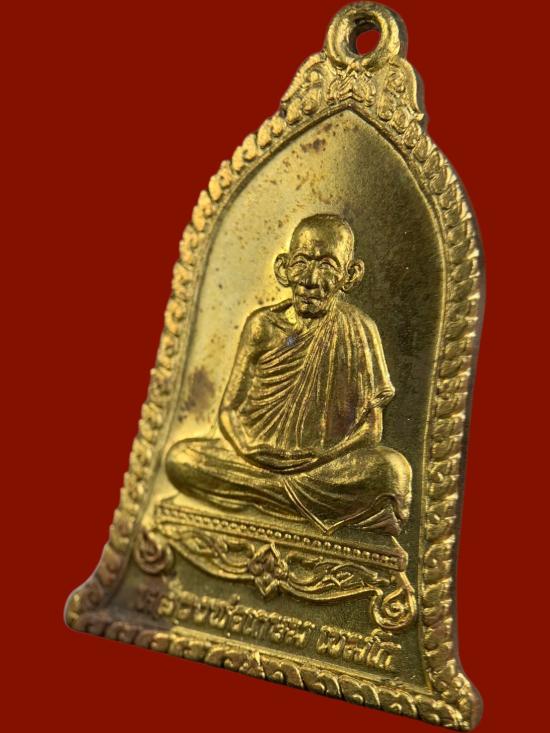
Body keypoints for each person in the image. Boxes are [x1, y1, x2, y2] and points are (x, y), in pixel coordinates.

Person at [165, 214, 412, 535]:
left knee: (392, 471)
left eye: (327, 266)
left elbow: (371, 429)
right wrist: (248, 449)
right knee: (182, 459)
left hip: (323, 467)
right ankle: (284, 498)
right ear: (283, 268)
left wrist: (318, 458)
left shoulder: (360, 330)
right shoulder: (262, 326)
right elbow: (229, 411)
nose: (310, 280)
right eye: (301, 263)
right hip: (255, 459)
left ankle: (263, 495)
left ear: (350, 275)